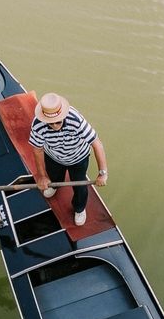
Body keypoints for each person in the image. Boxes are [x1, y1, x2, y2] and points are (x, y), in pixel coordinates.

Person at [29, 92, 108, 226]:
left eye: (58, 121)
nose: (55, 126)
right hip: (54, 156)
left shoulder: (76, 120)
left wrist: (102, 173)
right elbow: (37, 150)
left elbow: (96, 143)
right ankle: (54, 186)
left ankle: (79, 208)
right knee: (53, 176)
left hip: (78, 158)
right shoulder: (37, 124)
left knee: (79, 185)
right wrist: (42, 176)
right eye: (50, 123)